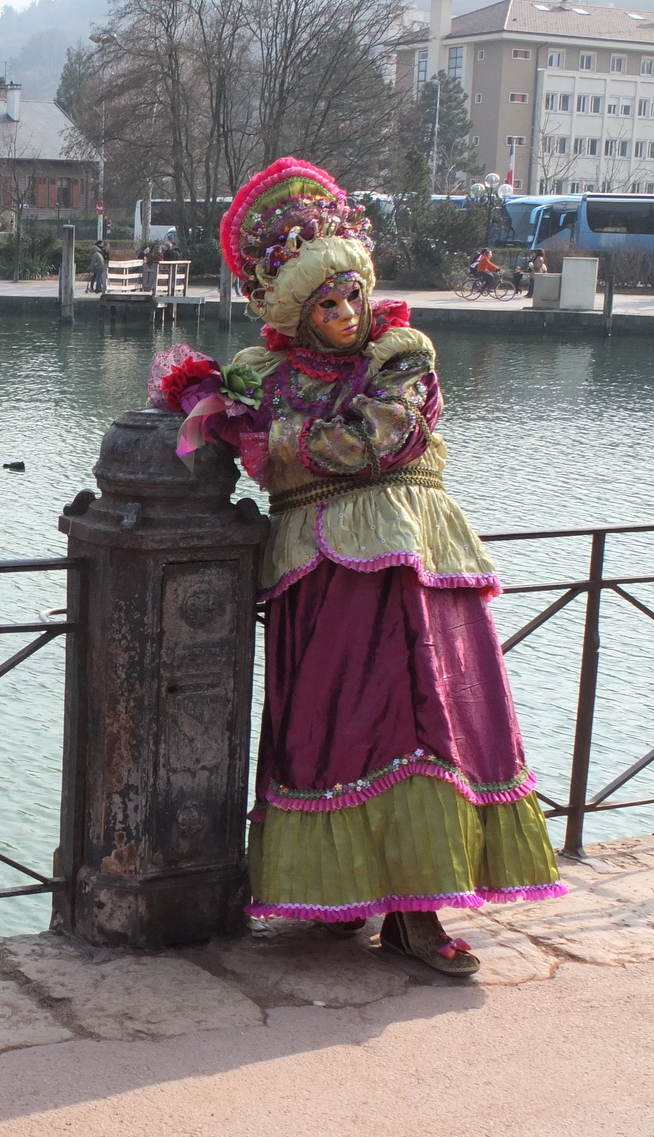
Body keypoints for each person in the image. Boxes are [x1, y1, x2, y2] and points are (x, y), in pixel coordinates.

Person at [154, 157, 564, 976]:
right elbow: (213, 428)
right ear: (294, 313)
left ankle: (417, 911)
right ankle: (340, 891)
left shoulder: (402, 353)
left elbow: (383, 438)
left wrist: (273, 443)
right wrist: (221, 419)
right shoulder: (259, 376)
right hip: (319, 574)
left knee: (420, 718)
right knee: (332, 731)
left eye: (350, 295)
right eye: (325, 304)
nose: (345, 315)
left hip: (411, 569)